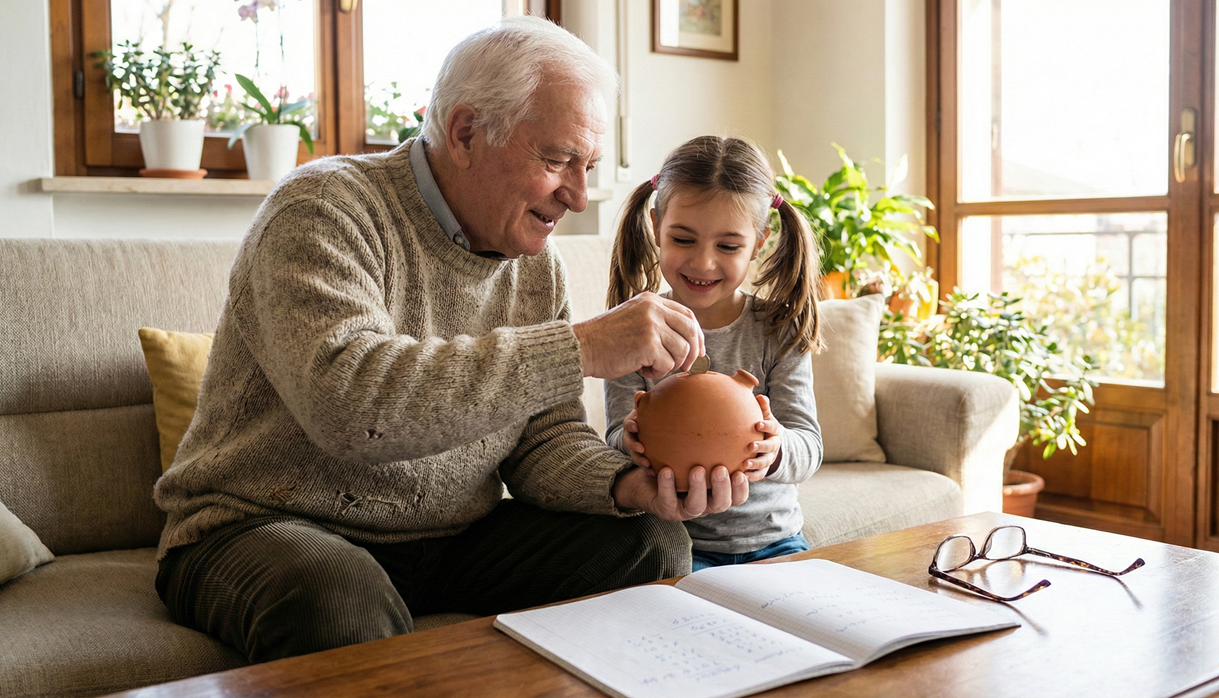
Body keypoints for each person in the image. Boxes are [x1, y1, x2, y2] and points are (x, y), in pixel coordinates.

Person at [151, 17, 751, 664]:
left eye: (590, 167)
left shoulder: (533, 262)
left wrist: (626, 486)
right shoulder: (321, 210)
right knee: (338, 595)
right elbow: (352, 410)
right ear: (466, 133)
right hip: (257, 527)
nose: (577, 196)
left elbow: (542, 444)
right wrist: (579, 348)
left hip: (448, 538)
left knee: (649, 541)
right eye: (557, 160)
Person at [605, 135, 825, 572]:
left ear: (759, 243)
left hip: (774, 540)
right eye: (683, 239)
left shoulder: (777, 328)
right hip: (676, 544)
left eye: (728, 246)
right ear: (655, 227)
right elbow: (613, 436)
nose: (703, 264)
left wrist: (777, 448)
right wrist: (628, 440)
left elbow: (809, 445)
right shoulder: (632, 330)